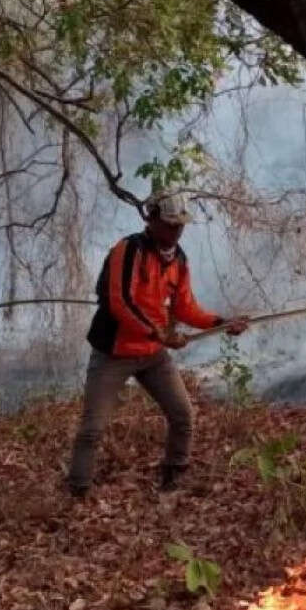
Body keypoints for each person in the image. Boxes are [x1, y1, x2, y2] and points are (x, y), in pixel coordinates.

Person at [68, 189, 248, 498]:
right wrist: (158, 333)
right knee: (92, 428)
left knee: (183, 415)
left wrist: (221, 323)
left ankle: (173, 476)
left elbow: (185, 307)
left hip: (153, 355)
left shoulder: (179, 260)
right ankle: (77, 490)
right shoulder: (129, 250)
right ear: (151, 220)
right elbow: (119, 302)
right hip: (114, 353)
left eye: (180, 226)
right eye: (169, 224)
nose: (175, 231)